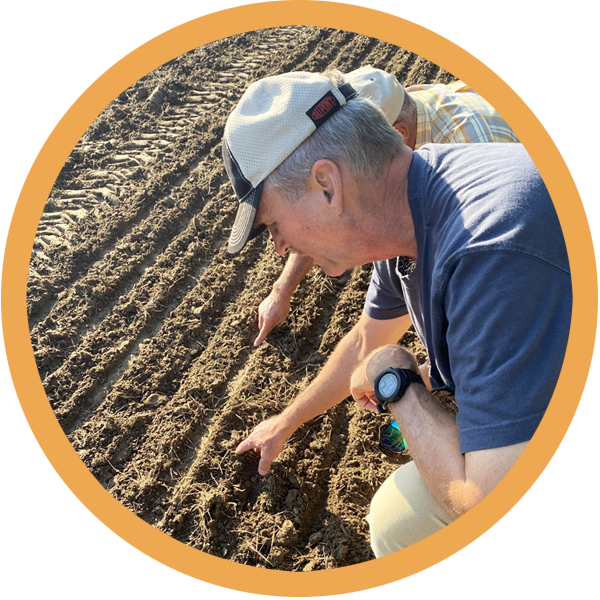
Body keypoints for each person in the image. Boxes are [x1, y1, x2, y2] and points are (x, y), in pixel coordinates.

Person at [222, 70, 571, 554]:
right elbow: (366, 341)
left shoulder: (486, 248)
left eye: (274, 224)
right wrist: (286, 422)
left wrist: (397, 379)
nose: (280, 247)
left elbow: (489, 506)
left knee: (399, 521)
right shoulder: (416, 206)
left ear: (327, 185)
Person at [253, 66, 519, 347]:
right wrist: (282, 290)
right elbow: (325, 212)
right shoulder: (402, 112)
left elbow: (495, 319)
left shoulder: (467, 178)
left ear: (397, 135)